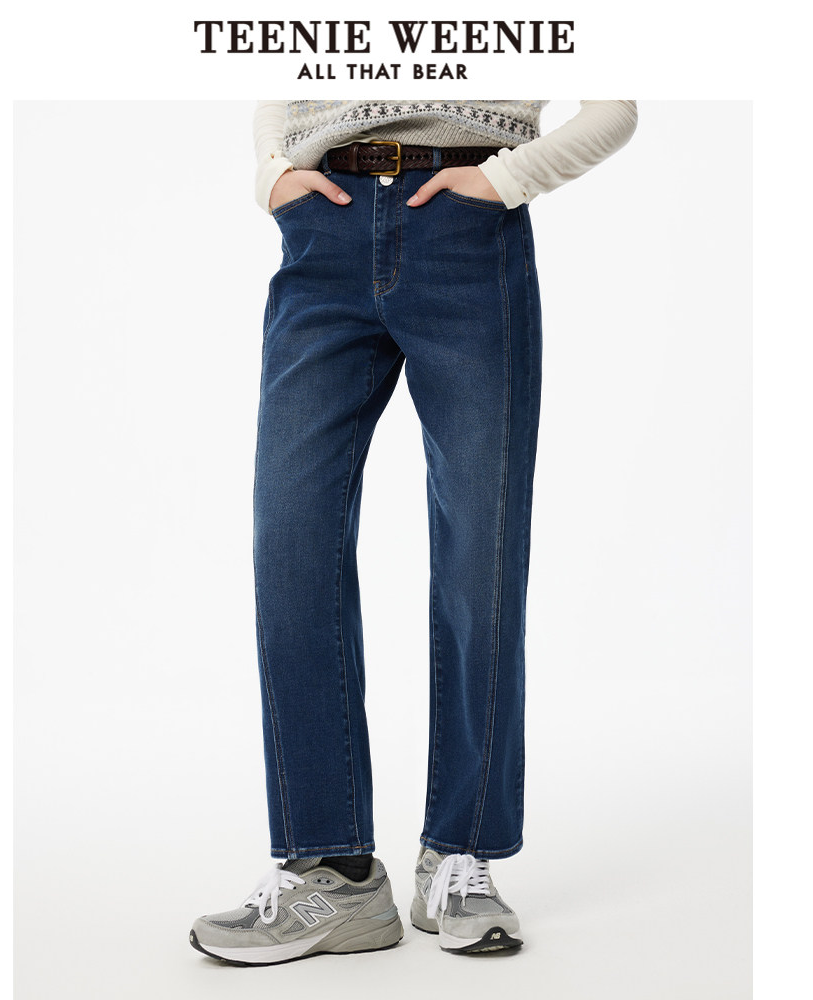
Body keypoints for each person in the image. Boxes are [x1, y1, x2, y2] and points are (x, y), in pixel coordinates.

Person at [190, 99, 639, 965]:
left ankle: (459, 856)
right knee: (291, 545)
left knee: (482, 553)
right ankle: (334, 873)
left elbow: (615, 107)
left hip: (467, 232)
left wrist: (505, 181)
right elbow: (283, 68)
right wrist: (273, 175)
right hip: (323, 233)